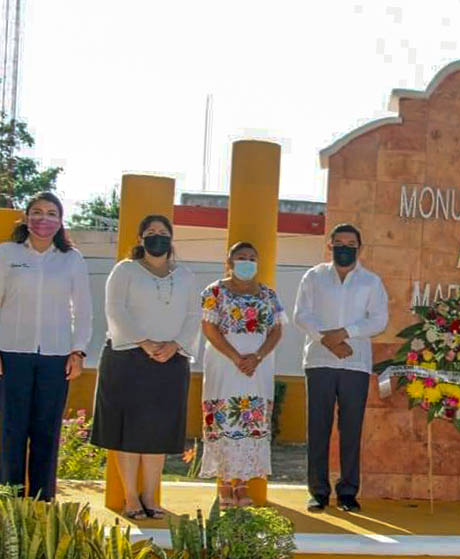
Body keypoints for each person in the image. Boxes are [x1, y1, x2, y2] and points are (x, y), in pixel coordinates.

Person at [91, 215, 200, 520]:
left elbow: (194, 315)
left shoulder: (186, 276)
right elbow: (115, 309)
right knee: (127, 432)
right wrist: (143, 341)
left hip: (170, 361)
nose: (157, 237)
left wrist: (175, 345)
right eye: (150, 232)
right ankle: (130, 498)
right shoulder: (124, 270)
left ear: (171, 239)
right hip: (127, 358)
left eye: (163, 233)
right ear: (140, 239)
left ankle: (150, 497)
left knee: (157, 432)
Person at [0, 192, 91, 500]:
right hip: (11, 354)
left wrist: (78, 350)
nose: (43, 219)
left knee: (46, 432)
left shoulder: (72, 259)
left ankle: (42, 502)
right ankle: (8, 501)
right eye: (37, 212)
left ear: (60, 221)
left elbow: (83, 309)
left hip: (56, 356)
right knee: (10, 431)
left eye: (51, 213)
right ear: (26, 218)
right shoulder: (7, 253)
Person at [293, 223, 388, 513]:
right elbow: (301, 315)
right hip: (319, 361)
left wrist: (346, 332)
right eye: (339, 243)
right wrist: (328, 341)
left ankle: (348, 491)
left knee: (351, 430)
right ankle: (318, 492)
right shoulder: (314, 277)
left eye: (351, 243)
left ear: (360, 248)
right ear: (329, 245)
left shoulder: (371, 282)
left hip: (355, 363)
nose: (344, 248)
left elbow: (378, 320)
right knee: (318, 428)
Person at [199, 242, 284, 506]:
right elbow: (209, 329)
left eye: (251, 257)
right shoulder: (214, 291)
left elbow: (277, 330)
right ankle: (224, 484)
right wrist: (236, 357)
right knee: (225, 418)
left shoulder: (269, 295)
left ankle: (243, 485)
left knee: (250, 421)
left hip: (258, 367)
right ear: (229, 262)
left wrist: (256, 357)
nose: (247, 261)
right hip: (224, 365)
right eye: (240, 257)